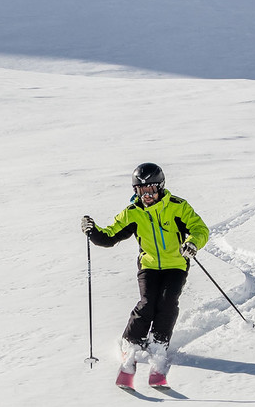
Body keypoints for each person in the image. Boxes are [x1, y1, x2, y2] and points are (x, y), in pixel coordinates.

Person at [82, 163, 210, 390]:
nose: (147, 195)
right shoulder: (133, 213)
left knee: (168, 302)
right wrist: (93, 231)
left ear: (160, 187)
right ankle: (130, 342)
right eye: (141, 191)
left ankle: (159, 344)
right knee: (148, 302)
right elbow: (110, 236)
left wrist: (192, 243)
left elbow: (200, 228)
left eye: (151, 190)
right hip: (149, 265)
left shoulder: (177, 207)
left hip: (176, 264)